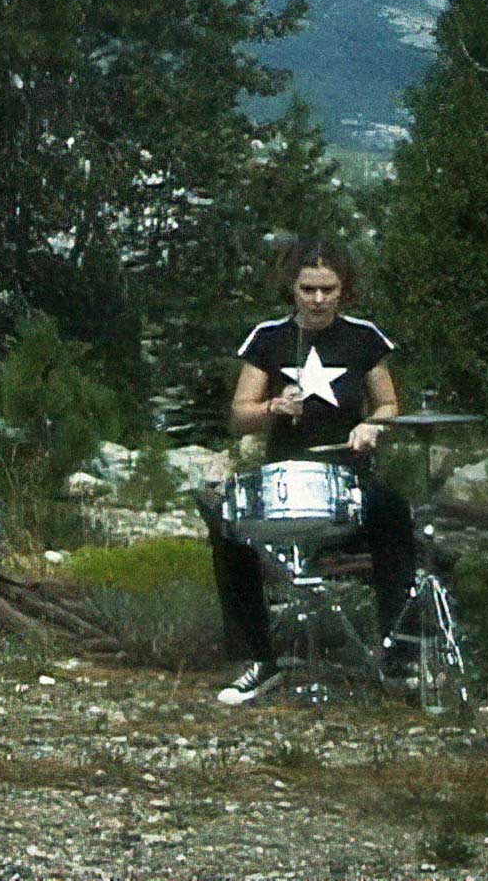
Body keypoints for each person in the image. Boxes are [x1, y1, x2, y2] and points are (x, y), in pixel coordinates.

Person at [205, 238, 417, 705]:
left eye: (329, 289)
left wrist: (372, 426)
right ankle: (257, 659)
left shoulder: (364, 337)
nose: (319, 299)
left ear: (344, 289)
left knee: (395, 513)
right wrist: (273, 408)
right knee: (227, 527)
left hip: (348, 478)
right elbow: (240, 414)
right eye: (308, 289)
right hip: (284, 479)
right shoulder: (268, 338)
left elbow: (388, 403)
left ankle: (401, 654)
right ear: (292, 289)